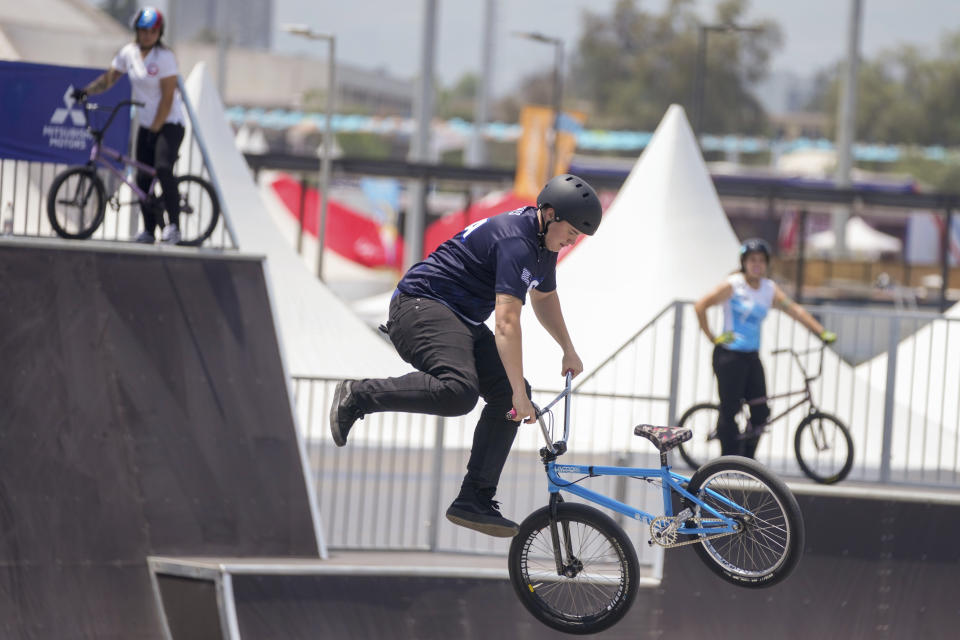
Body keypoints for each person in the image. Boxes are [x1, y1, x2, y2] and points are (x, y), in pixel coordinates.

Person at [329, 174, 602, 538]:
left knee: (505, 397)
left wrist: (567, 348)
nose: (573, 240)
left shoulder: (542, 245)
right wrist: (520, 393)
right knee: (460, 391)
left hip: (460, 318)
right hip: (419, 306)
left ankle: (474, 498)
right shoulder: (517, 240)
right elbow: (506, 322)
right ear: (550, 214)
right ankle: (358, 395)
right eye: (572, 231)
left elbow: (544, 297)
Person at [693, 238, 837, 459]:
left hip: (751, 356)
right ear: (744, 263)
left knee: (761, 411)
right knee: (730, 410)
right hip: (729, 356)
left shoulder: (769, 289)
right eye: (752, 260)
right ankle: (726, 462)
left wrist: (820, 331)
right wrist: (713, 337)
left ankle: (747, 461)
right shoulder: (733, 284)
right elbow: (700, 305)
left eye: (761, 260)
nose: (757, 264)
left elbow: (794, 310)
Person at [73, 7, 186, 245]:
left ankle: (174, 225)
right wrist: (86, 92)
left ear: (159, 33)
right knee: (142, 178)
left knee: (163, 168)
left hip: (169, 123)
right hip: (147, 124)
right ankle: (149, 229)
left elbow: (167, 99)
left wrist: (156, 129)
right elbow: (109, 79)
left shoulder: (165, 58)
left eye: (153, 31)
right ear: (137, 31)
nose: (147, 36)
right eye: (143, 31)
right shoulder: (129, 53)